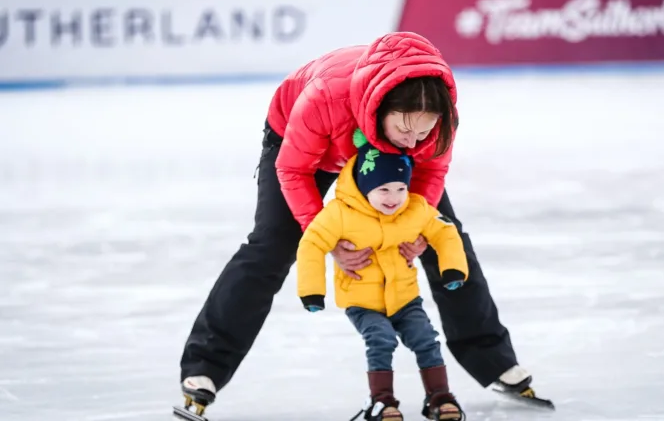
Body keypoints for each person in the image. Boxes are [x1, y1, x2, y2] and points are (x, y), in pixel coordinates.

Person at [177, 31, 545, 418]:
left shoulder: (436, 124)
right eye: (405, 130)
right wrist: (327, 237)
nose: (412, 142)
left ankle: (494, 359)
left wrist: (417, 229)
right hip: (308, 148)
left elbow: (431, 172)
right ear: (381, 108)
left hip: (372, 145)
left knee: (446, 238)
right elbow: (293, 168)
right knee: (272, 244)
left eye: (422, 132)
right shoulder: (324, 98)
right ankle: (205, 369)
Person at [296, 130, 468, 421]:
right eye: (384, 190)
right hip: (362, 300)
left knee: (426, 339)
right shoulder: (339, 213)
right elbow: (312, 243)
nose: (394, 198)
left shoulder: (414, 207)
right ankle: (381, 401)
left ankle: (439, 396)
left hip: (405, 297)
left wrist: (452, 267)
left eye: (400, 188)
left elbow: (445, 231)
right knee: (381, 339)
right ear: (365, 187)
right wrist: (312, 291)